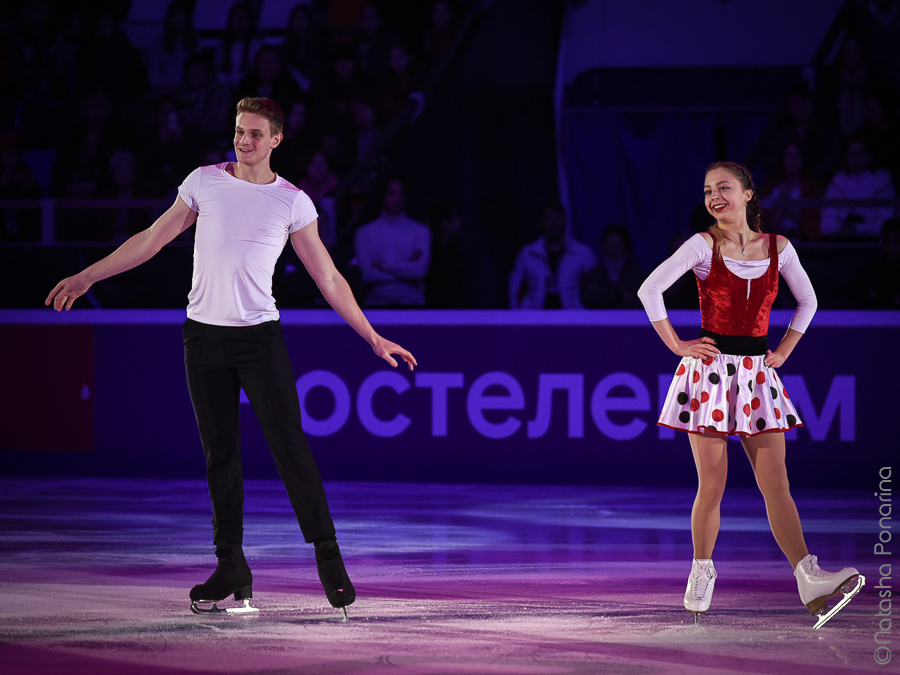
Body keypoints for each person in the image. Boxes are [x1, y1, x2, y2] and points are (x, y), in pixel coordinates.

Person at [45, 97, 417, 617]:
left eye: (255, 134)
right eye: (240, 131)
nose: (244, 141)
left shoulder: (293, 202)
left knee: (290, 446)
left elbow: (328, 277)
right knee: (220, 454)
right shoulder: (203, 181)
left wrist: (373, 337)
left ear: (276, 140)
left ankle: (328, 555)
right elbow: (152, 239)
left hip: (259, 339)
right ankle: (231, 565)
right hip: (203, 338)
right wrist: (88, 275)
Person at [636, 161, 863, 628]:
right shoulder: (703, 245)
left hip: (758, 375)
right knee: (712, 485)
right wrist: (678, 345)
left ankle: (809, 578)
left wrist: (783, 350)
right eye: (707, 191)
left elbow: (809, 301)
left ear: (748, 195)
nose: (714, 197)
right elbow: (649, 289)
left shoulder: (779, 249)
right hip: (711, 374)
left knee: (775, 483)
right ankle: (701, 571)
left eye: (723, 188)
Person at [353, 178, 431, 307]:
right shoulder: (365, 233)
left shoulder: (420, 231)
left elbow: (419, 272)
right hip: (376, 306)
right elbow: (368, 274)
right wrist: (407, 275)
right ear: (382, 196)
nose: (396, 198)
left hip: (413, 306)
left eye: (400, 193)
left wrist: (384, 265)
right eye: (391, 193)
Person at [509, 204, 597, 309]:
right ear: (542, 221)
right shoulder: (528, 253)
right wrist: (518, 316)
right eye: (549, 217)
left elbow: (595, 287)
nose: (554, 222)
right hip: (536, 316)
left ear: (565, 220)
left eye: (558, 216)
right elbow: (515, 288)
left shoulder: (583, 252)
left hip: (573, 315)